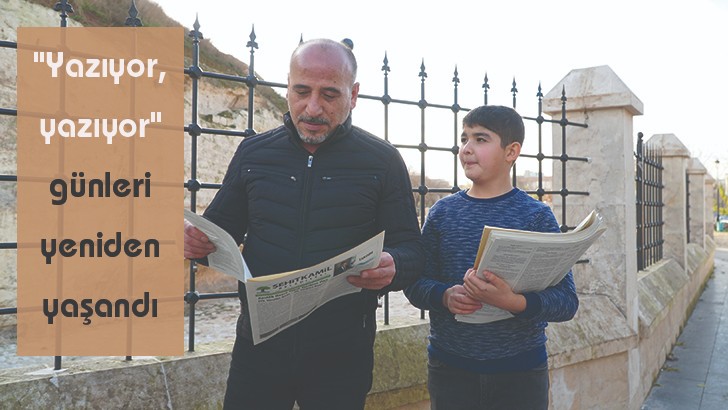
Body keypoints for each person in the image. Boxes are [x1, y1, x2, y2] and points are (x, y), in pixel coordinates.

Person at [183, 38, 424, 410]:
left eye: (329, 94)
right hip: (258, 348)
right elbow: (218, 232)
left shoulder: (384, 161)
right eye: (301, 91)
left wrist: (395, 265)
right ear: (288, 87)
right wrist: (196, 245)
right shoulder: (253, 153)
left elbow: (412, 250)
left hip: (342, 352)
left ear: (354, 95)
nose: (313, 107)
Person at [404, 105, 579, 410]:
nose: (467, 149)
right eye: (464, 138)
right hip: (450, 369)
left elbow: (566, 302)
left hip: (521, 372)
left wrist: (515, 303)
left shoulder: (537, 217)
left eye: (481, 139)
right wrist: (444, 296)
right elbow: (414, 284)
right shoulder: (443, 214)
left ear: (511, 152)